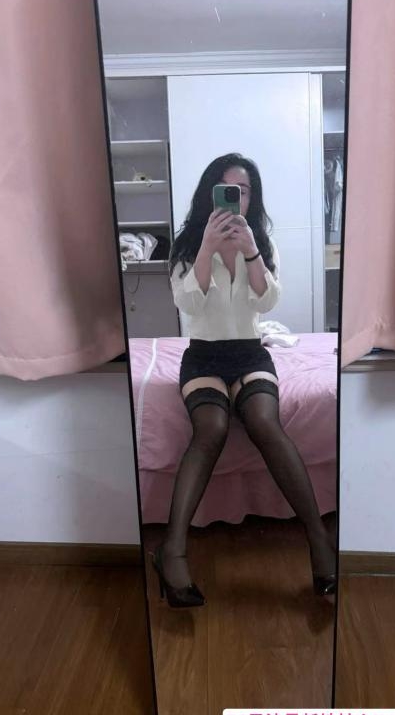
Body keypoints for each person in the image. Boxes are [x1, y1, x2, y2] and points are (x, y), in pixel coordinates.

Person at [151, 153, 336, 608]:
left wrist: (251, 251)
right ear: (210, 193)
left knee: (264, 421)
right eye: (227, 189)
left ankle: (318, 540)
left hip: (250, 352)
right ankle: (171, 551)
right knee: (211, 427)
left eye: (244, 191)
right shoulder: (187, 245)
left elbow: (267, 302)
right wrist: (207, 249)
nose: (236, 198)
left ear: (252, 199)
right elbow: (188, 306)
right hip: (204, 355)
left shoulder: (262, 244)